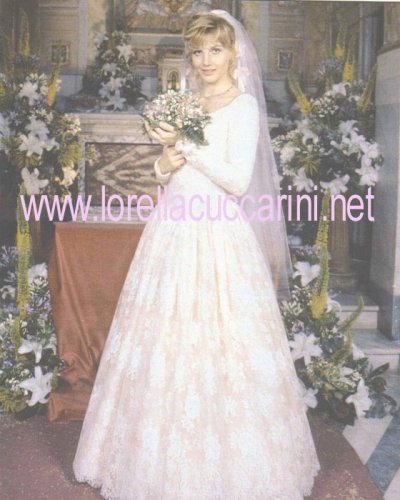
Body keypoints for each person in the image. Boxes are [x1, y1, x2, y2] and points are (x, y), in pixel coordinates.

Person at [72, 10, 321, 499]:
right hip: (171, 230)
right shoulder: (186, 101)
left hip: (217, 233)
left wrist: (184, 142)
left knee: (220, 340)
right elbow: (169, 172)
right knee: (164, 338)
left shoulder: (242, 106)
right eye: (198, 51)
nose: (206, 60)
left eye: (216, 50)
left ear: (233, 53)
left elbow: (237, 180)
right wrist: (165, 163)